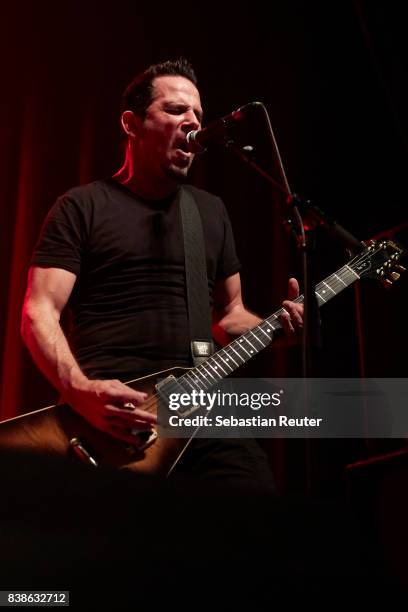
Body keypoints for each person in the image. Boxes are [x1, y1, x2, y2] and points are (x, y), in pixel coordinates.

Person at [20, 58, 303, 492]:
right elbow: (39, 310)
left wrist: (275, 326)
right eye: (175, 110)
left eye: (198, 115)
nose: (192, 122)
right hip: (111, 417)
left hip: (204, 410)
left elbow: (230, 317)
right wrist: (79, 390)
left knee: (261, 527)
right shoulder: (82, 207)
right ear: (131, 125)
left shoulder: (209, 212)